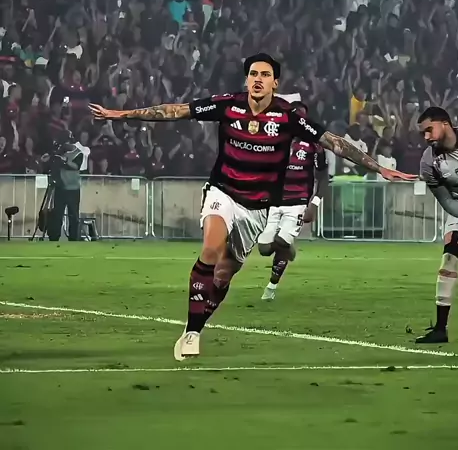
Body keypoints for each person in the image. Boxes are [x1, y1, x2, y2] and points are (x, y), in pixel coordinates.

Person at [89, 53, 416, 361]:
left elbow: (335, 142)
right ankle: (191, 332)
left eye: (265, 75)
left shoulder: (288, 117)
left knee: (224, 274)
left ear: (275, 83)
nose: (258, 79)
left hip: (258, 208)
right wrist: (123, 114)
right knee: (211, 249)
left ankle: (199, 323)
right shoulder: (228, 105)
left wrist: (378, 167)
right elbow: (177, 110)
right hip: (223, 192)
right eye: (253, 74)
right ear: (247, 79)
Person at [417, 106, 458, 344]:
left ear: (445, 123)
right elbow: (446, 201)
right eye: (423, 133)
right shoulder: (429, 162)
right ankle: (440, 329)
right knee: (449, 259)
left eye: (429, 130)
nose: (426, 137)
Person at [257, 101, 329, 301]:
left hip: (297, 201)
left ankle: (271, 287)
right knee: (264, 248)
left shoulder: (314, 145)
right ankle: (289, 249)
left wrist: (314, 204)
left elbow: (323, 178)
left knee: (281, 241)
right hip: (274, 200)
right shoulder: (274, 141)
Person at [46, 132, 83, 241]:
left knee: (73, 215)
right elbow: (53, 163)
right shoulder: (59, 152)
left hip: (73, 189)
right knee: (57, 214)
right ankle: (54, 237)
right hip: (60, 187)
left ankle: (73, 238)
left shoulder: (78, 153)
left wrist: (65, 160)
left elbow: (76, 166)